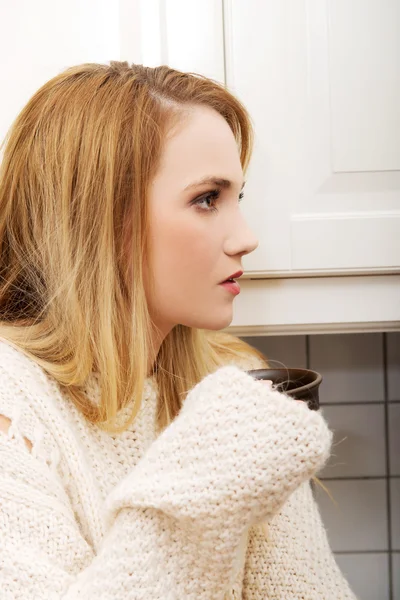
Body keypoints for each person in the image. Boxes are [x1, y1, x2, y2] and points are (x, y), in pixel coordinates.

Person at [0, 61, 357, 599]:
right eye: (207, 199)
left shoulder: (227, 383)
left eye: (239, 197)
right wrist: (210, 470)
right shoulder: (16, 409)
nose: (246, 237)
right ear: (100, 219)